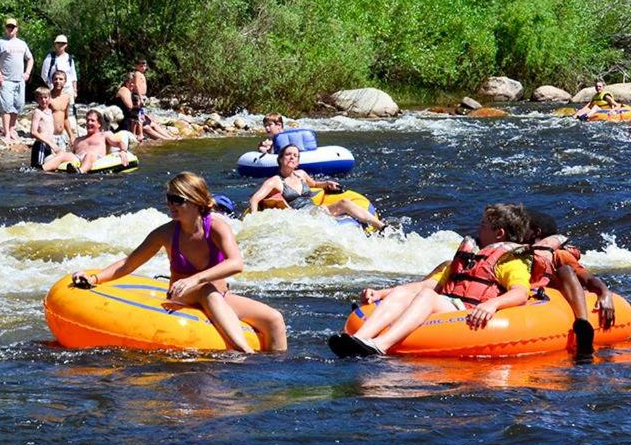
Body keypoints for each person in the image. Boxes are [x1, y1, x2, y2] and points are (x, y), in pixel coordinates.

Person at [71, 172, 287, 353]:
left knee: (274, 319)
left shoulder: (217, 227)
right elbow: (129, 263)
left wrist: (195, 278)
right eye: (169, 198)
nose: (171, 204)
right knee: (206, 289)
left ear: (196, 202)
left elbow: (236, 263)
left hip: (221, 296)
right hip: (183, 295)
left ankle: (276, 376)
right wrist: (93, 278)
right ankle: (246, 354)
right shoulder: (165, 233)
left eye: (178, 200)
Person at [329, 203, 535, 357]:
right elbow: (426, 284)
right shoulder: (472, 254)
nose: (478, 228)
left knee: (428, 297)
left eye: (484, 225)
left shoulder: (509, 261)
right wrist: (381, 293)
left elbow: (520, 292)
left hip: (469, 312)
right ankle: (359, 338)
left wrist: (493, 304)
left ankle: (381, 344)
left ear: (499, 234)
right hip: (449, 305)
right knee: (405, 293)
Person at [527, 210, 616, 358]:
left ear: (536, 232)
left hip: (550, 299)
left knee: (565, 270)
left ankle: (583, 326)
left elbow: (587, 279)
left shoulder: (559, 254)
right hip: (528, 296)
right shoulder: (517, 253)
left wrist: (604, 293)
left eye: (523, 227)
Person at [249, 144, 385, 230]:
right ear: (280, 159)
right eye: (288, 154)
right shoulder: (275, 181)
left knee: (345, 202)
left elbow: (314, 184)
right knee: (324, 214)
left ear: (297, 162)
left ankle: (381, 227)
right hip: (301, 216)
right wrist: (253, 221)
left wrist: (327, 184)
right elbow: (254, 199)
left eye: (295, 155)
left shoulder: (301, 174)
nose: (292, 157)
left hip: (316, 210)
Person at [0, 17, 33, 141]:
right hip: (6, 80)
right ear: (5, 28)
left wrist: (27, 73)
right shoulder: (0, 42)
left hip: (20, 80)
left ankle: (12, 129)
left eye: (13, 27)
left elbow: (30, 59)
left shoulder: (22, 43)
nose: (10, 29)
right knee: (6, 106)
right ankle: (7, 132)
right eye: (8, 26)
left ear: (17, 29)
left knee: (18, 105)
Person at [29, 87, 80, 172]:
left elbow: (63, 116)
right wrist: (50, 143)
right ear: (37, 99)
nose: (43, 100)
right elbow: (33, 132)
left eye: (45, 98)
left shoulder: (49, 111)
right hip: (41, 145)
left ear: (49, 98)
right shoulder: (38, 112)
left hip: (49, 146)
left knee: (49, 168)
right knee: (37, 170)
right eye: (40, 98)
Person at [115, 72, 173, 140]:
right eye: (130, 82)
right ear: (126, 82)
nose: (132, 84)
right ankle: (166, 139)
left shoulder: (131, 92)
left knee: (152, 123)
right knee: (146, 127)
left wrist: (145, 115)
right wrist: (139, 105)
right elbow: (130, 106)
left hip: (132, 116)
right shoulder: (124, 90)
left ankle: (170, 137)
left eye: (133, 83)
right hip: (124, 119)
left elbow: (135, 109)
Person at [41, 35, 78, 133]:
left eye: (63, 43)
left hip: (68, 88)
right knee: (53, 108)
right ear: (55, 44)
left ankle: (70, 130)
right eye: (58, 43)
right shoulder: (50, 57)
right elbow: (44, 74)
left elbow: (73, 75)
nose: (60, 45)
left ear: (66, 45)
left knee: (69, 110)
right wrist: (51, 85)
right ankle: (52, 128)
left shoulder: (69, 58)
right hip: (54, 87)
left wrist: (75, 90)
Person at [49, 71, 76, 146]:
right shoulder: (47, 98)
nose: (58, 81)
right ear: (52, 80)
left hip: (61, 136)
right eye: (56, 79)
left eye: (61, 79)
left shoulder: (66, 98)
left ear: (65, 81)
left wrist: (71, 135)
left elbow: (65, 118)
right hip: (50, 136)